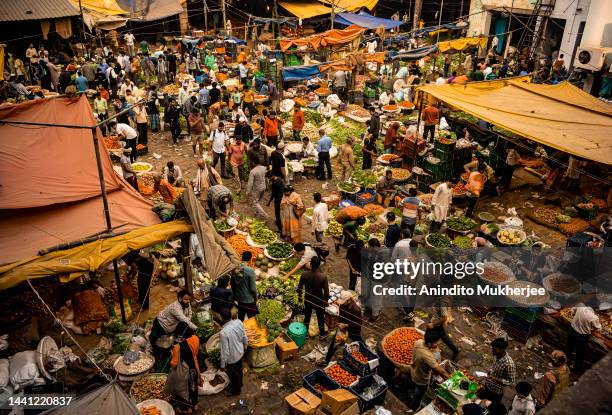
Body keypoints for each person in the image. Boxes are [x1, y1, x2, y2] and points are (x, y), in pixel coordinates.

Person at [408, 330, 450, 411]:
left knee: (415, 387)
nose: (437, 344)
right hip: (421, 380)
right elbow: (442, 372)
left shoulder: (419, 342)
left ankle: (413, 392)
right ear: (430, 344)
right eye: (435, 343)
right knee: (419, 394)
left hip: (414, 370)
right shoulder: (427, 356)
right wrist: (450, 379)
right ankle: (413, 408)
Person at [149, 290, 198, 359]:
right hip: (161, 323)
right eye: (186, 299)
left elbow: (190, 313)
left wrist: (188, 319)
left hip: (173, 325)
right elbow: (185, 320)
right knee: (153, 338)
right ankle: (157, 355)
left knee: (184, 327)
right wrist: (197, 328)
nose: (188, 301)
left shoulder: (187, 303)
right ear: (180, 298)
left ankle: (178, 346)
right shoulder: (175, 308)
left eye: (189, 299)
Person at [169, 327, 202, 412]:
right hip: (193, 368)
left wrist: (172, 354)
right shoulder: (195, 338)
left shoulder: (177, 347)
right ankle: (195, 404)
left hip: (185, 372)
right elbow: (196, 352)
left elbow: (174, 363)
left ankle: (186, 408)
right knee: (193, 387)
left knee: (184, 390)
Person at [298, 256, 329, 340]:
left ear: (310, 264)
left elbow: (299, 288)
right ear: (319, 265)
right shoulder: (323, 277)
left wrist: (300, 297)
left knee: (307, 317)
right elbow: (326, 292)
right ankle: (322, 334)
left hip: (308, 299)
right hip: (319, 301)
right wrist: (326, 301)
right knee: (320, 318)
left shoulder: (304, 274)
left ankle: (306, 334)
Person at [219, 307, 248, 396]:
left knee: (233, 375)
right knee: (239, 370)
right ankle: (240, 383)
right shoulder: (239, 322)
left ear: (221, 317)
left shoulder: (223, 333)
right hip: (240, 351)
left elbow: (225, 351)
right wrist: (245, 346)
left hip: (232, 358)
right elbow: (244, 336)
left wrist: (222, 365)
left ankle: (236, 390)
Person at [566, 301, 602, 371]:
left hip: (572, 330)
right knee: (580, 353)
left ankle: (566, 360)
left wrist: (576, 316)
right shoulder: (594, 317)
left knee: (569, 347)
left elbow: (572, 310)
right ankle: (576, 368)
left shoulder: (580, 306)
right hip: (581, 337)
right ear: (596, 309)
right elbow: (599, 328)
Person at [481, 338, 516, 403]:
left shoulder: (509, 364)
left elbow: (511, 382)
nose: (492, 351)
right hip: (488, 385)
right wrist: (490, 371)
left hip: (496, 393)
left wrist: (496, 380)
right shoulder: (497, 355)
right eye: (492, 348)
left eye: (494, 349)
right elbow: (494, 366)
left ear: (502, 349)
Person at [231, 255, 258, 320]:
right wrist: (255, 297)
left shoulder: (235, 269)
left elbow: (232, 284)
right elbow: (253, 288)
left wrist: (235, 297)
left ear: (242, 258)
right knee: (251, 319)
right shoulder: (250, 270)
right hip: (249, 300)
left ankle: (241, 329)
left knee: (241, 317)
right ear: (250, 259)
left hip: (240, 299)